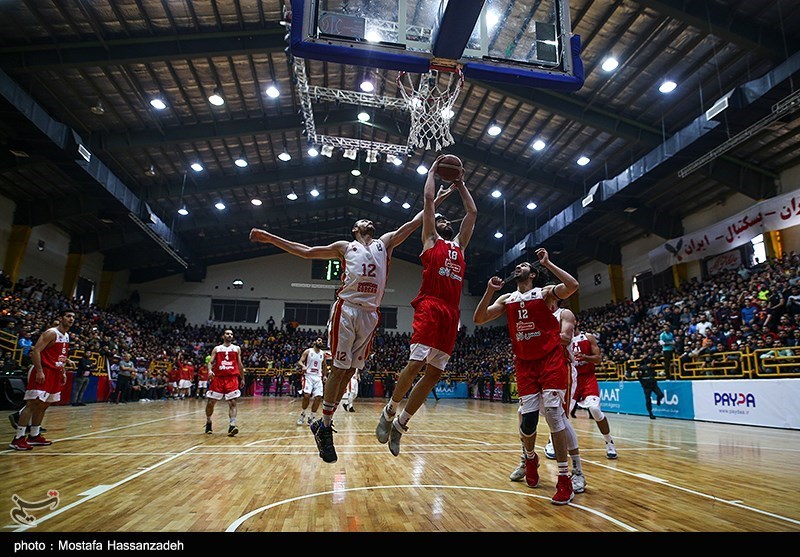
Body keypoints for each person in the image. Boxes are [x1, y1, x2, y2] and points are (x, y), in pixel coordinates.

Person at [250, 173, 455, 463]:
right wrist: (269, 238)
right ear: (355, 229)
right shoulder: (345, 247)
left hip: (371, 314)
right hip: (347, 309)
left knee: (349, 372)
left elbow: (415, 222)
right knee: (339, 367)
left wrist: (438, 199)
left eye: (369, 221)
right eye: (362, 221)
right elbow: (306, 252)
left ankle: (323, 425)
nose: (368, 222)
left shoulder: (386, 242)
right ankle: (324, 426)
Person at [375, 159, 477, 457]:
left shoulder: (459, 245)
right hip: (430, 305)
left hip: (451, 312)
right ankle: (390, 410)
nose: (443, 220)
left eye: (447, 220)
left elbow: (472, 212)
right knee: (416, 363)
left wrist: (460, 184)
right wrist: (432, 172)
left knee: (434, 374)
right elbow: (429, 200)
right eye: (440, 219)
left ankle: (402, 425)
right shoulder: (430, 240)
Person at [472, 252, 579, 505]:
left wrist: (547, 264)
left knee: (554, 414)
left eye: (523, 266)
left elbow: (573, 286)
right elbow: (479, 318)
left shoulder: (545, 293)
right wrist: (489, 290)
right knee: (528, 422)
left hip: (550, 359)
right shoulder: (507, 298)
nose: (517, 266)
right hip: (524, 363)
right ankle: (530, 458)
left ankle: (564, 479)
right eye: (517, 265)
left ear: (532, 275)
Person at [517, 299, 587, 495]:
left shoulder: (564, 313)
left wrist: (534, 337)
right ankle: (527, 459)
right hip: (535, 367)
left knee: (559, 419)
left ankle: (578, 472)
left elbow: (565, 337)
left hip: (560, 367)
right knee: (522, 413)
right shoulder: (534, 315)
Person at [9, 308, 75, 450]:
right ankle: (18, 438)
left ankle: (34, 435)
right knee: (32, 404)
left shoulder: (67, 336)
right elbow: (36, 351)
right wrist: (39, 370)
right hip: (43, 370)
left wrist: (62, 370)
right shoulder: (52, 333)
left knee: (44, 405)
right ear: (61, 317)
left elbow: (60, 356)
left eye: (73, 317)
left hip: (55, 372)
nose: (71, 319)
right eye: (68, 316)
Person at [205, 329, 245, 436]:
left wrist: (242, 378)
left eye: (231, 334)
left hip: (231, 378)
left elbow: (240, 364)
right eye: (227, 334)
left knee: (232, 402)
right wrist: (209, 370)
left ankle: (232, 425)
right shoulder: (217, 349)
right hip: (218, 378)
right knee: (211, 403)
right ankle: (208, 421)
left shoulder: (237, 348)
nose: (230, 335)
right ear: (223, 336)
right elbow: (210, 362)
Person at [296, 337, 328, 425]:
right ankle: (303, 414)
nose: (320, 342)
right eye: (318, 340)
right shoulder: (308, 351)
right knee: (306, 396)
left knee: (318, 397)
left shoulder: (323, 354)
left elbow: (324, 365)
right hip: (308, 376)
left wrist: (324, 375)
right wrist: (303, 366)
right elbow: (300, 361)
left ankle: (312, 417)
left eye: (321, 341)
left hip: (318, 377)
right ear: (314, 342)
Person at [638, 348, 665, 419]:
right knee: (648, 399)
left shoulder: (651, 359)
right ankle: (650, 413)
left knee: (661, 394)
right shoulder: (641, 364)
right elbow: (639, 376)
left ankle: (658, 399)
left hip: (653, 383)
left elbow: (656, 360)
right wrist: (643, 384)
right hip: (646, 385)